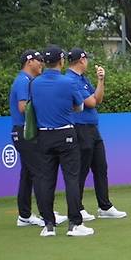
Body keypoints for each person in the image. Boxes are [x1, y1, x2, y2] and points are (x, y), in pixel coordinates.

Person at [31, 45, 94, 237]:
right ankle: (74, 224)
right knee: (72, 179)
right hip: (65, 134)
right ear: (61, 61)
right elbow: (80, 106)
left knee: (45, 180)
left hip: (44, 135)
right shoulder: (68, 82)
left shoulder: (35, 83)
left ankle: (48, 224)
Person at [66, 48, 127, 221]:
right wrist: (96, 93)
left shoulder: (83, 79)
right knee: (81, 170)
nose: (88, 63)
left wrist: (101, 80)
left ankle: (104, 206)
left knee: (101, 167)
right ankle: (77, 208)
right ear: (81, 60)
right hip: (80, 128)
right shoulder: (70, 80)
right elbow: (91, 102)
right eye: (86, 59)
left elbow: (98, 99)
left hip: (93, 128)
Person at [8, 49, 46, 227]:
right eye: (38, 60)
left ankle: (24, 216)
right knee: (39, 172)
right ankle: (46, 214)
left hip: (24, 131)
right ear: (29, 62)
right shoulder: (23, 81)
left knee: (28, 174)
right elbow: (23, 107)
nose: (41, 64)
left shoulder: (28, 80)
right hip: (25, 132)